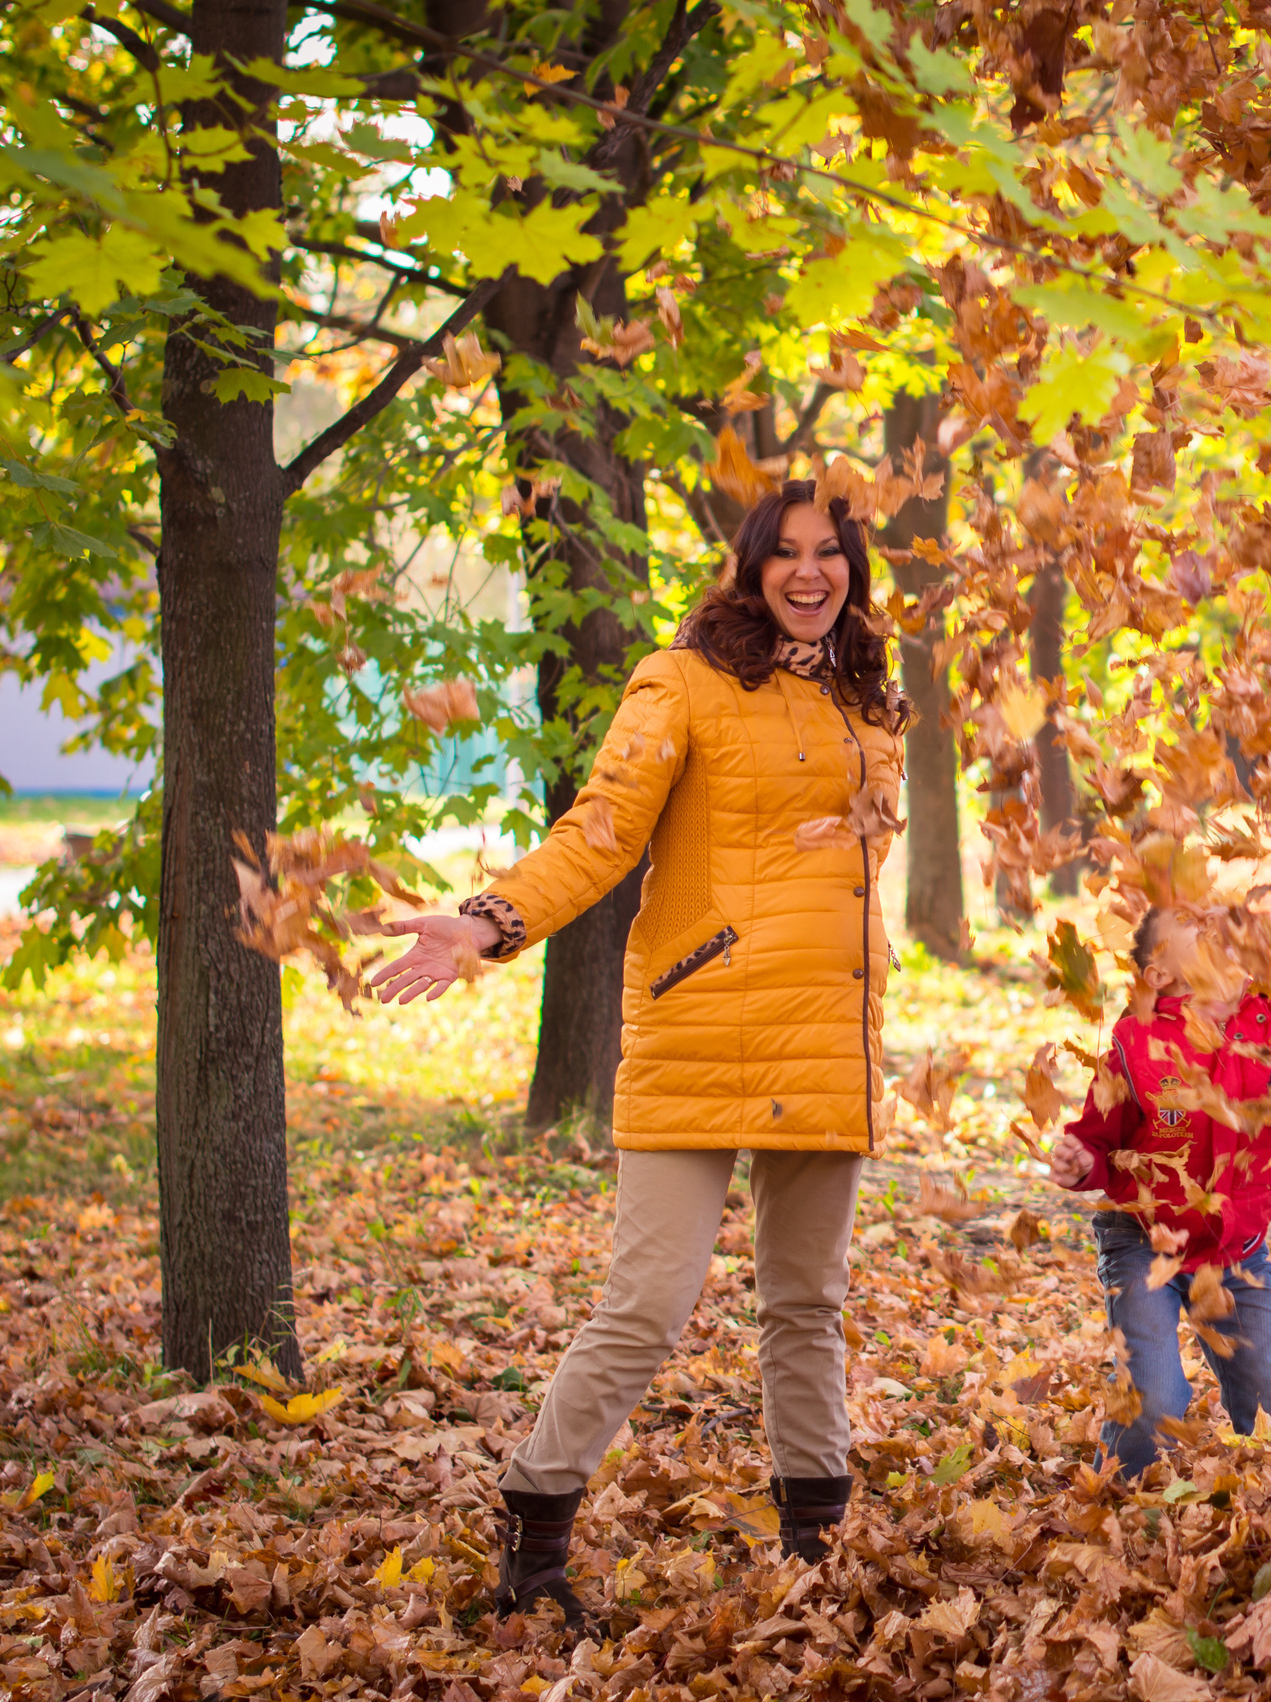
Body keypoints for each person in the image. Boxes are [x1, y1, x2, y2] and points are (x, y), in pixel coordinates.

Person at [370, 480, 905, 1626]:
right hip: (701, 1026)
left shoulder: (870, 699)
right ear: (751, 567)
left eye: (831, 553)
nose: (810, 573)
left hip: (824, 1038)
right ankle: (533, 1517)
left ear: (852, 567)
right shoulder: (683, 682)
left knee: (809, 1302)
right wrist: (490, 919)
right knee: (647, 1303)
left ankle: (817, 1544)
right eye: (786, 554)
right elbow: (602, 830)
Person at [1047, 907, 1271, 1478]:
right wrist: (1082, 1159)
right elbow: (1102, 1135)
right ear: (1159, 975)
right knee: (1158, 1402)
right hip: (1144, 1241)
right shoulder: (1134, 1039)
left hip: (1236, 1250)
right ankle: (1119, 1492)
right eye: (1196, 928)